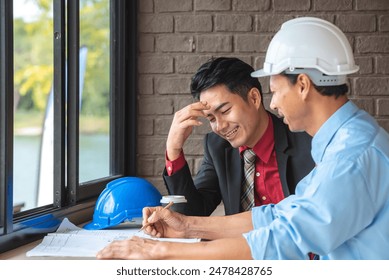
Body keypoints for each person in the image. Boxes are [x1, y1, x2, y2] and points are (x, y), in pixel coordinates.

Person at [97, 17, 389, 260]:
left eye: (275, 91)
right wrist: (186, 226)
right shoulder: (345, 142)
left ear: (302, 85)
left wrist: (159, 251)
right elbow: (279, 215)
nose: (273, 103)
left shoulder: (351, 156)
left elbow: (286, 238)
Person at [163, 57, 314, 216]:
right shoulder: (217, 146)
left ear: (254, 98)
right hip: (236, 241)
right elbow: (193, 213)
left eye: (225, 111)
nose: (220, 126)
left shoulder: (306, 141)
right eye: (212, 119)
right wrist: (173, 150)